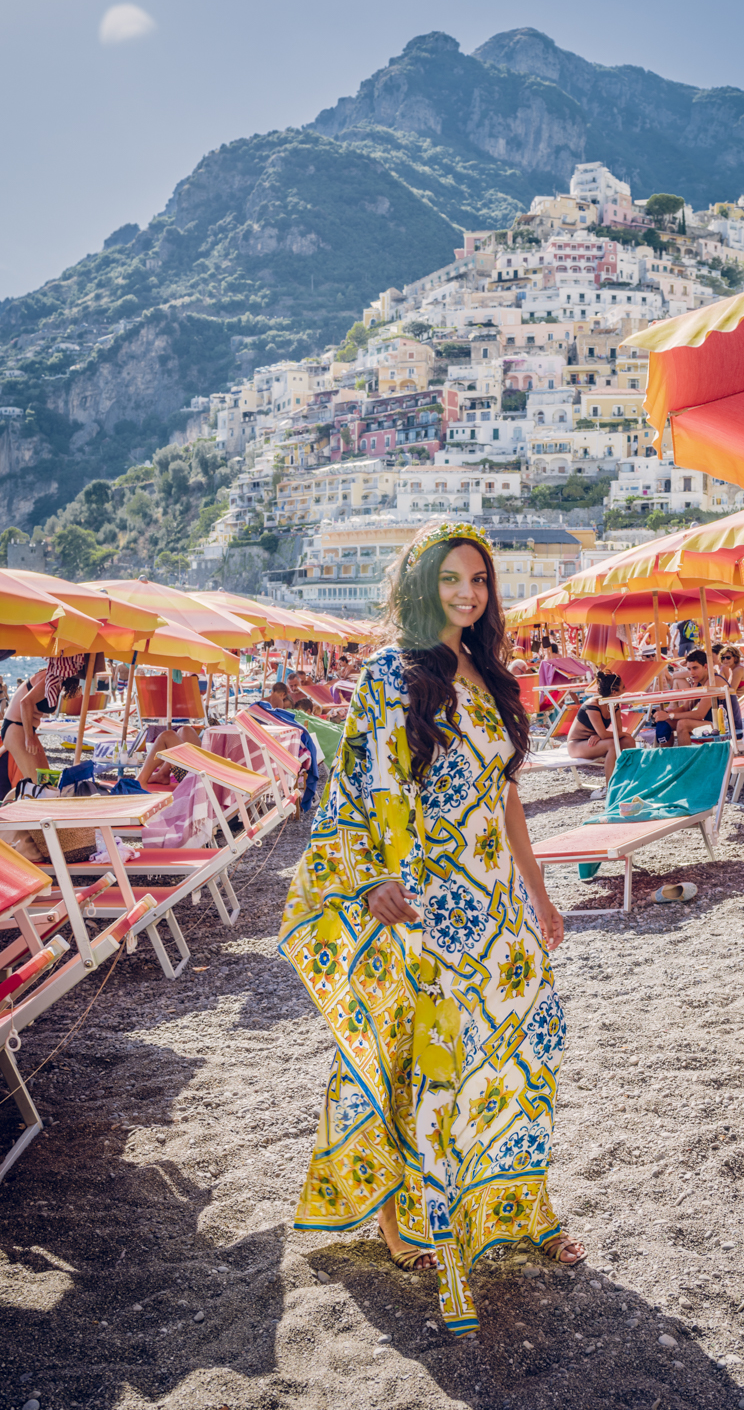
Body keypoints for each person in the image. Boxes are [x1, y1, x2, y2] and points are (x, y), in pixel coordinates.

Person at [278, 519, 582, 1339]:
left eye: (478, 580)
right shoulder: (392, 673)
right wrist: (376, 875)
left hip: (497, 908)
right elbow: (364, 783)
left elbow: (508, 795)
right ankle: (407, 1221)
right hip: (431, 902)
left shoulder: (489, 673)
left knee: (521, 1043)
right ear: (422, 586)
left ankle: (515, 1200)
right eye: (451, 578)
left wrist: (540, 895)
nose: (466, 592)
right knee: (435, 1057)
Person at [654, 651, 742, 745]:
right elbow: (685, 708)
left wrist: (670, 715)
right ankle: (667, 757)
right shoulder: (699, 682)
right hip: (713, 726)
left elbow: (699, 714)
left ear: (705, 667)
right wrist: (664, 714)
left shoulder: (714, 681)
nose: (691, 673)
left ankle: (687, 758)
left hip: (729, 730)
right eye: (689, 669)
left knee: (683, 724)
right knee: (665, 723)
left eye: (695, 668)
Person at [566, 667, 630, 783]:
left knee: (627, 740)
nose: (626, 690)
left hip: (596, 741)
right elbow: (608, 735)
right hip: (577, 744)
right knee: (612, 743)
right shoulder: (592, 705)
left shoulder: (614, 705)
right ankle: (609, 787)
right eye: (623, 687)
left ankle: (628, 781)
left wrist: (601, 736)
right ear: (614, 692)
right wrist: (603, 735)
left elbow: (617, 732)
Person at [1, 670, 50, 784]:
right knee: (37, 783)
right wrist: (29, 738)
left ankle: (7, 802)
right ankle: (9, 802)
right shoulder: (48, 678)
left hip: (25, 728)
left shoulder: (55, 680)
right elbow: (25, 702)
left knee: (45, 779)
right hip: (16, 726)